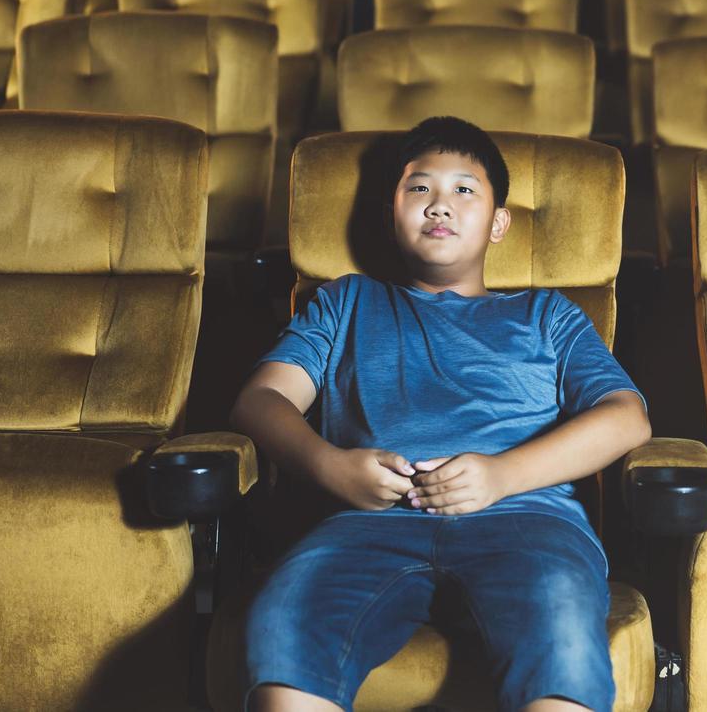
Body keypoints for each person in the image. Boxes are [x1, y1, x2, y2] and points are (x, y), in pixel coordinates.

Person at [232, 116, 652, 712]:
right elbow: (260, 399)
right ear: (392, 210)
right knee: (288, 619)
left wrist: (502, 476)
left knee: (559, 623)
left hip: (524, 521)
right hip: (369, 523)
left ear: (499, 222)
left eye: (464, 190)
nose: (439, 205)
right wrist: (330, 467)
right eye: (419, 188)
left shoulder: (546, 314)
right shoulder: (346, 301)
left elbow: (626, 416)